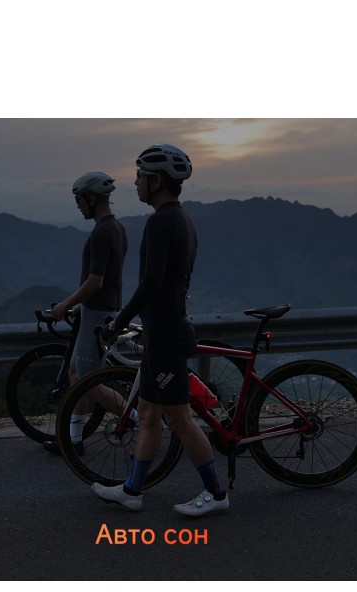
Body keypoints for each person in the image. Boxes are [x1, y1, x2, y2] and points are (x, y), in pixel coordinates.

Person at [92, 144, 229, 517]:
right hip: (164, 330)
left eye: (140, 176)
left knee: (179, 418)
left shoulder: (160, 222)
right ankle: (132, 490)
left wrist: (118, 323)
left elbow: (151, 283)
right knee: (149, 414)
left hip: (167, 333)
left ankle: (216, 493)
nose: (135, 182)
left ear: (157, 181)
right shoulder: (181, 219)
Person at [42, 171, 128, 456]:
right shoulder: (116, 228)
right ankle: (73, 440)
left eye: (79, 200)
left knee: (88, 381)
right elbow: (111, 279)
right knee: (77, 374)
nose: (78, 206)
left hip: (99, 314)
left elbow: (96, 281)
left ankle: (135, 419)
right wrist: (82, 305)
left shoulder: (103, 232)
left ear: (91, 198)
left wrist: (65, 304)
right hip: (99, 309)